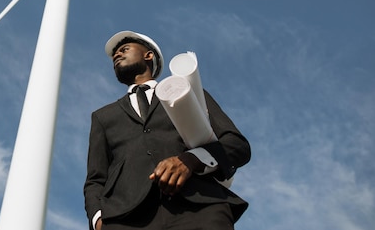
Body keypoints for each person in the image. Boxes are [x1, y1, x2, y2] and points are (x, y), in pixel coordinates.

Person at [84, 31, 251, 230]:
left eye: (124, 49)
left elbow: (236, 145)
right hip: (126, 219)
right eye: (114, 55)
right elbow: (95, 178)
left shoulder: (187, 92)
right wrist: (98, 219)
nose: (117, 55)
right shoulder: (103, 116)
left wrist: (190, 160)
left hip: (199, 208)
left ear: (149, 55)